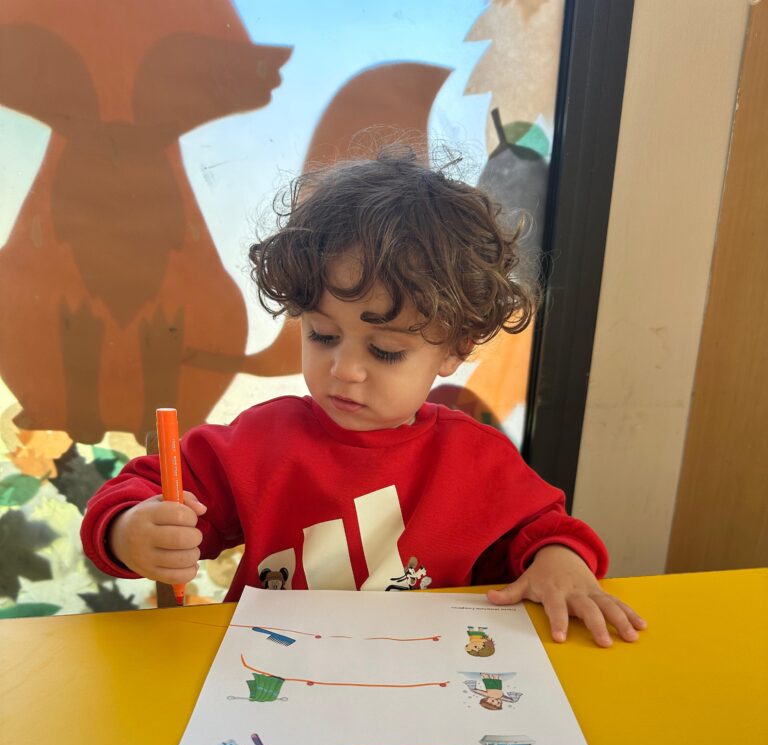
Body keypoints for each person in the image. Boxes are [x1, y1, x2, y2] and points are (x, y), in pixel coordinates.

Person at [81, 144, 646, 647]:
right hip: (273, 675)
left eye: (385, 351)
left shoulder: (476, 459)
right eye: (322, 336)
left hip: (426, 680)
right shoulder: (261, 441)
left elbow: (544, 530)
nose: (345, 370)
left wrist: (560, 562)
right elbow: (147, 490)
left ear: (455, 349)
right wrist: (131, 530)